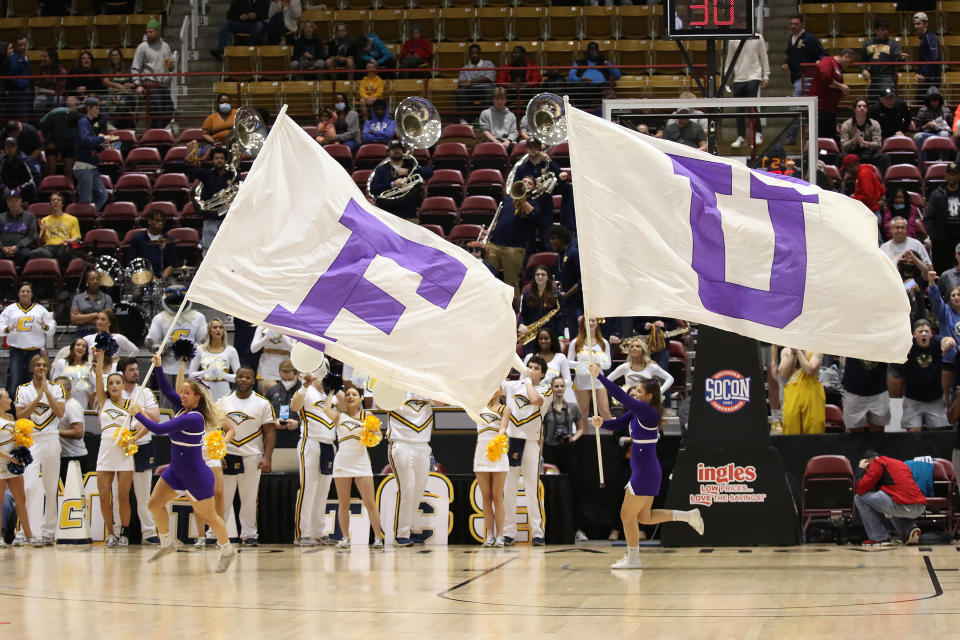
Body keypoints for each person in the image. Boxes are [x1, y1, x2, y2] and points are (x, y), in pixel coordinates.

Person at [130, 353, 237, 572]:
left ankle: (227, 550)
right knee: (154, 504)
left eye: (187, 393)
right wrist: (158, 368)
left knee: (209, 516)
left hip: (196, 474)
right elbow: (168, 391)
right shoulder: (183, 407)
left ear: (197, 397)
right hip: (176, 470)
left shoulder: (195, 418)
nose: (182, 396)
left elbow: (159, 429)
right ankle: (167, 543)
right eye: (182, 392)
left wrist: (138, 414)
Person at [590, 364, 703, 568]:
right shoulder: (636, 413)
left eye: (639, 391)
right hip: (646, 471)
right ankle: (688, 515)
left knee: (626, 515)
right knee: (645, 516)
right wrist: (601, 423)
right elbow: (617, 424)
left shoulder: (648, 413)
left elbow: (622, 396)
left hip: (645, 473)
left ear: (649, 397)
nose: (635, 392)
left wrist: (601, 377)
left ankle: (634, 559)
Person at [320, 386, 385, 550]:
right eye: (347, 394)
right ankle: (345, 537)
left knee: (370, 502)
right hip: (342, 461)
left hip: (361, 460)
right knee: (344, 502)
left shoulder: (367, 415)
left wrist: (372, 435)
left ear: (361, 399)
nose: (350, 396)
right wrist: (331, 391)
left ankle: (378, 538)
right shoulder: (338, 416)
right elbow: (326, 408)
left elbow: (378, 437)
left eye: (354, 394)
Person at [218, 366, 276, 546]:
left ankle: (249, 535)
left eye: (247, 377)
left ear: (254, 381)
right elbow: (214, 430)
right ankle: (215, 535)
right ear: (235, 378)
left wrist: (267, 457)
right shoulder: (222, 402)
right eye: (240, 376)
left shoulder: (263, 403)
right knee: (222, 497)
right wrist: (217, 455)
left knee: (249, 498)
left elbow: (270, 433)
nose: (243, 380)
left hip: (252, 456)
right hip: (227, 455)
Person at [93, 349, 145, 547]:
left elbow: (147, 425)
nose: (114, 385)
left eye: (117, 382)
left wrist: (133, 439)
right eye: (111, 383)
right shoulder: (104, 400)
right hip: (105, 452)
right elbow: (98, 376)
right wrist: (100, 358)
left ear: (123, 385)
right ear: (107, 387)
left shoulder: (132, 404)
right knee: (105, 496)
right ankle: (111, 533)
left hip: (124, 453)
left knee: (123, 497)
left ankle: (124, 532)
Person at [14, 354, 65, 545]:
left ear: (49, 368)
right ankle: (26, 531)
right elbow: (20, 415)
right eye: (38, 365)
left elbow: (60, 412)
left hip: (52, 438)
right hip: (31, 440)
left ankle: (48, 531)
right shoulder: (23, 390)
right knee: (29, 486)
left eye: (44, 365)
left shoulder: (57, 388)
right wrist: (37, 398)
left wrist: (47, 392)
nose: (41, 368)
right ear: (32, 368)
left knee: (51, 487)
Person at [499, 356, 549, 546]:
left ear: (542, 373)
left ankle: (538, 532)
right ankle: (508, 532)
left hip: (530, 443)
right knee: (508, 489)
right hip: (511, 442)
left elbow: (535, 400)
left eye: (536, 368)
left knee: (531, 489)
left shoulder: (546, 389)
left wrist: (527, 380)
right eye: (529, 366)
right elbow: (494, 385)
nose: (531, 370)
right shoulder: (513, 386)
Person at [116, 355, 161, 545]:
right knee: (119, 493)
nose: (136, 373)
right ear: (122, 373)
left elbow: (156, 418)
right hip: (119, 447)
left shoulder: (145, 392)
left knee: (144, 493)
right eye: (131, 370)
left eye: (136, 369)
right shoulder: (115, 390)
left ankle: (149, 532)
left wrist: (139, 408)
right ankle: (119, 531)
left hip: (142, 445)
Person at [288, 366, 336, 546]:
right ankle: (303, 533)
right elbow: (294, 406)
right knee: (308, 489)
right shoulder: (306, 391)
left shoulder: (330, 394)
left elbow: (345, 409)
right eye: (321, 373)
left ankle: (319, 532)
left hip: (329, 444)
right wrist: (304, 386)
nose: (324, 376)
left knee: (323, 490)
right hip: (311, 442)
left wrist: (335, 390)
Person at [386, 391, 439, 546]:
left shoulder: (425, 386)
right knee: (407, 488)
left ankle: (408, 530)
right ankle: (400, 534)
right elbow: (382, 403)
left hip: (423, 445)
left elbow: (442, 402)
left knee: (418, 490)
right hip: (401, 444)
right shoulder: (394, 385)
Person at [541, 375, 584, 536]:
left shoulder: (573, 407)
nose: (559, 389)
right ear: (551, 388)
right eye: (556, 386)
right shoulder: (546, 408)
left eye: (561, 386)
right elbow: (542, 431)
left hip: (569, 450)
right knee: (549, 488)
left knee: (574, 488)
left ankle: (576, 528)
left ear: (565, 388)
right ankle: (550, 527)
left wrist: (573, 438)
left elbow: (580, 428)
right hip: (551, 450)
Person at [855, 451, 926, 547]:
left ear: (868, 461)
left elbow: (860, 489)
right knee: (886, 502)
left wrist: (860, 469)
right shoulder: (899, 463)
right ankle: (908, 530)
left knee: (859, 498)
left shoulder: (878, 463)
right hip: (920, 507)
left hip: (903, 505)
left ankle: (879, 538)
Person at [486, 175, 540, 295]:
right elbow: (499, 218)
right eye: (524, 181)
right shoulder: (507, 199)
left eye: (530, 183)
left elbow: (535, 217)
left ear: (533, 189)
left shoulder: (533, 204)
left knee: (511, 282)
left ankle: (514, 311)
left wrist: (522, 199)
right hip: (494, 244)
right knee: (488, 278)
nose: (526, 184)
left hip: (513, 249)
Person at [145, 286, 208, 388]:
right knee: (167, 400)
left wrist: (191, 349)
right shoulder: (159, 318)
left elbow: (205, 342)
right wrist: (166, 347)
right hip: (166, 368)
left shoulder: (198, 317)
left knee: (190, 400)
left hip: (191, 368)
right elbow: (150, 342)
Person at [0, 390, 40, 547]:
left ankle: (29, 535)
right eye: (7, 397)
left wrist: (22, 450)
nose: (10, 400)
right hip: (3, 462)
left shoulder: (10, 418)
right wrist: (9, 457)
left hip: (14, 465)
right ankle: (1, 538)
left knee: (21, 500)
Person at [3, 283, 55, 396]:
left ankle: (33, 411)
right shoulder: (10, 309)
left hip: (34, 352)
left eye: (28, 291)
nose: (25, 293)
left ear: (32, 294)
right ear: (18, 294)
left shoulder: (40, 310)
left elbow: (51, 328)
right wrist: (8, 329)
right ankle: (13, 411)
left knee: (33, 383)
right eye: (23, 291)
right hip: (16, 351)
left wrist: (45, 326)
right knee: (14, 383)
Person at [783, 14, 827, 140]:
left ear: (802, 24)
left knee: (796, 107)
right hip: (797, 77)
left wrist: (818, 63)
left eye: (795, 24)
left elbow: (822, 54)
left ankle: (791, 136)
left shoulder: (809, 38)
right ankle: (797, 135)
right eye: (791, 24)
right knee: (799, 108)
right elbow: (791, 56)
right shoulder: (791, 38)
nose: (793, 26)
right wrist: (787, 64)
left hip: (807, 78)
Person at [184, 145, 233, 253]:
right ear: (212, 160)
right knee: (209, 251)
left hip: (228, 219)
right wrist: (190, 157)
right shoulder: (207, 174)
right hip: (210, 219)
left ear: (225, 160)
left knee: (228, 250)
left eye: (221, 158)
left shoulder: (233, 175)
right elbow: (190, 171)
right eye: (216, 158)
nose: (219, 160)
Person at [473, 389, 507, 547]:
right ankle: (490, 535)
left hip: (497, 450)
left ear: (500, 391)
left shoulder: (505, 409)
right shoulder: (477, 407)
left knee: (497, 496)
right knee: (486, 497)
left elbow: (503, 429)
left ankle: (501, 535)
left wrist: (498, 439)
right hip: (481, 452)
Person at [567, 316, 613, 433]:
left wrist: (599, 364)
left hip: (599, 381)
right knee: (583, 413)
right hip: (581, 382)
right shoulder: (576, 342)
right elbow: (569, 363)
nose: (591, 323)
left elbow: (608, 365)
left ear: (597, 323)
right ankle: (586, 441)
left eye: (593, 320)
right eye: (587, 320)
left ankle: (612, 438)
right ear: (582, 323)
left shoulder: (603, 342)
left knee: (605, 411)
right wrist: (584, 364)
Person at [369, 139, 432, 221]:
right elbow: (373, 189)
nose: (396, 151)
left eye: (399, 149)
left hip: (409, 215)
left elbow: (429, 172)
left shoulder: (411, 165)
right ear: (388, 152)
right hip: (387, 215)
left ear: (403, 151)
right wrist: (393, 184)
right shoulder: (381, 169)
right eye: (393, 149)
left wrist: (408, 171)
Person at [725, 34, 770, 148]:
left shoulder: (758, 37)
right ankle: (741, 136)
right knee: (740, 109)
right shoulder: (733, 40)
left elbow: (763, 56)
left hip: (754, 75)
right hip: (739, 77)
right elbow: (729, 59)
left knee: (751, 105)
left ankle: (758, 132)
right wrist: (726, 77)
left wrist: (766, 74)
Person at [131, 19, 175, 129]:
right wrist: (138, 84)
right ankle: (155, 136)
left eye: (151, 32)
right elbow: (135, 66)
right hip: (149, 82)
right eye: (147, 32)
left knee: (169, 111)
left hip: (163, 84)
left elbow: (170, 65)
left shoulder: (165, 46)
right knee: (157, 111)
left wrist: (171, 66)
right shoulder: (142, 47)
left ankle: (153, 132)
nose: (148, 34)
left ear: (158, 32)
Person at [74, 97, 113, 211]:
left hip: (91, 165)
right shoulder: (83, 121)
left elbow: (91, 144)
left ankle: (91, 215)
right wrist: (102, 139)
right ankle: (84, 221)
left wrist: (102, 146)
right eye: (96, 108)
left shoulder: (87, 123)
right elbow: (85, 140)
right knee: (86, 199)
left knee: (102, 194)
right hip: (84, 165)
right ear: (89, 108)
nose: (98, 111)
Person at [187, 318, 240, 401]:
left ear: (223, 331)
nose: (218, 329)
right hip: (205, 392)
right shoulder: (200, 349)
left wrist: (222, 375)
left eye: (221, 327)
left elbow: (238, 377)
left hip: (224, 393)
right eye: (215, 327)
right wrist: (205, 372)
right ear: (209, 331)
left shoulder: (231, 350)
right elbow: (191, 375)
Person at [608, 337, 674, 400]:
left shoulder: (651, 366)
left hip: (647, 401)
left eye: (638, 346)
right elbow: (607, 380)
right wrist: (618, 393)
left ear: (643, 350)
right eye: (632, 347)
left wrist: (659, 392)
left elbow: (670, 378)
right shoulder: (625, 367)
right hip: (630, 401)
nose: (634, 348)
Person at [810, 49, 854, 142]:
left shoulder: (839, 68)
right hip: (820, 107)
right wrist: (841, 86)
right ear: (846, 57)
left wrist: (842, 92)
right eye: (850, 61)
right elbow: (825, 77)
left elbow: (834, 88)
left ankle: (827, 156)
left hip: (830, 109)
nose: (850, 65)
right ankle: (819, 155)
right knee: (821, 137)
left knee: (830, 137)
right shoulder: (827, 61)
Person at [778, 347, 824, 435]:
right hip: (792, 394)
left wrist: (799, 353)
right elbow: (783, 373)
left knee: (814, 430)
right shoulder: (786, 351)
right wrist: (793, 354)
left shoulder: (816, 349)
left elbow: (810, 370)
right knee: (790, 429)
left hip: (812, 394)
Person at [925, 162, 960, 275]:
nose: (951, 176)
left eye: (954, 174)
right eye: (949, 173)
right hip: (942, 239)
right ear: (945, 175)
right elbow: (929, 218)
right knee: (941, 271)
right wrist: (935, 237)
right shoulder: (936, 195)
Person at [517, 265, 562, 353]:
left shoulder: (556, 296)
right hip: (531, 337)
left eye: (543, 274)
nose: (540, 277)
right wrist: (521, 325)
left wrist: (561, 338)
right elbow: (522, 314)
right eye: (537, 275)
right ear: (534, 277)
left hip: (550, 337)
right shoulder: (527, 295)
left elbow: (561, 318)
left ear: (548, 277)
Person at [840, 99, 890, 177]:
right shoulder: (846, 125)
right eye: (859, 106)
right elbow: (843, 146)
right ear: (854, 109)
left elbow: (878, 144)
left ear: (867, 109)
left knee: (884, 157)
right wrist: (853, 141)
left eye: (864, 106)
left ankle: (883, 182)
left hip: (869, 153)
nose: (862, 108)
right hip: (853, 153)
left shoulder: (875, 124)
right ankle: (841, 183)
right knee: (841, 157)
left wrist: (866, 144)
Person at [29, 191, 80, 266]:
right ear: (50, 204)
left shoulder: (73, 219)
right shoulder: (44, 220)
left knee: (66, 252)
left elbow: (77, 239)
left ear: (62, 204)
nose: (55, 202)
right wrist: (44, 231)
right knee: (33, 253)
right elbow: (40, 243)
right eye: (53, 200)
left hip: (64, 246)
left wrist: (68, 240)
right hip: (49, 248)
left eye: (58, 200)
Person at [549, 226, 582, 339]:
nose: (550, 241)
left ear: (562, 239)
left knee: (575, 335)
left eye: (553, 238)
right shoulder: (559, 255)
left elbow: (581, 280)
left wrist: (567, 295)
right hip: (564, 302)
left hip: (576, 302)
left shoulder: (574, 253)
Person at [567, 41, 620, 107]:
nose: (593, 52)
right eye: (591, 50)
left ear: (598, 51)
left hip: (601, 87)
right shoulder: (579, 63)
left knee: (609, 91)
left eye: (595, 50)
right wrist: (581, 79)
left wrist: (606, 62)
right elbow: (570, 78)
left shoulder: (604, 62)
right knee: (580, 88)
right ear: (588, 51)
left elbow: (617, 76)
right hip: (584, 87)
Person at [860, 19, 903, 100]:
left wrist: (901, 58)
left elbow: (899, 61)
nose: (886, 32)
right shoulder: (868, 43)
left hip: (887, 78)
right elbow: (863, 60)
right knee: (872, 103)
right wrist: (864, 69)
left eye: (887, 29)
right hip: (874, 79)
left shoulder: (893, 44)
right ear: (876, 30)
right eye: (883, 30)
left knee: (888, 100)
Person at [54, 376, 87, 480]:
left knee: (74, 494)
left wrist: (55, 432)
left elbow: (78, 432)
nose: (55, 392)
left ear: (68, 390)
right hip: (64, 456)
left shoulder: (72, 406)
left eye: (58, 389)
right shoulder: (59, 405)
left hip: (74, 458)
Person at [39, 105, 79, 184]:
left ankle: (69, 190)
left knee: (69, 170)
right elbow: (42, 123)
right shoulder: (54, 114)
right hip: (53, 142)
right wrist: (48, 141)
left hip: (69, 143)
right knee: (51, 169)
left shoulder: (79, 118)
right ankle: (51, 189)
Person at [456, 44, 496, 124]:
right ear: (469, 55)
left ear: (480, 54)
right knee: (461, 91)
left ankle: (487, 118)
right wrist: (481, 79)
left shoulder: (488, 64)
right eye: (472, 53)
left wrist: (471, 82)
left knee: (490, 89)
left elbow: (489, 79)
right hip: (470, 91)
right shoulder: (465, 68)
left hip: (484, 90)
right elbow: (461, 82)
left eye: (476, 53)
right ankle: (464, 119)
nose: (474, 55)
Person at [264, 359, 302, 440]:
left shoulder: (305, 391)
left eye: (290, 379)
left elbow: (314, 417)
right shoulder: (272, 391)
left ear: (297, 374)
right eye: (284, 379)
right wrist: (274, 421)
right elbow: (264, 413)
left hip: (298, 436)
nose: (287, 382)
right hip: (277, 437)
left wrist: (298, 424)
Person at [70, 269, 115, 338]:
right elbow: (74, 319)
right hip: (82, 332)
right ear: (87, 282)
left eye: (97, 279)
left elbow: (108, 319)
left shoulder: (107, 298)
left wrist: (82, 318)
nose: (95, 281)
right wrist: (96, 314)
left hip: (101, 332)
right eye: (92, 279)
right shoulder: (78, 298)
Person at [52, 338, 95, 409]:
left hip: (82, 404)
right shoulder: (61, 363)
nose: (80, 347)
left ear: (85, 351)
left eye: (84, 346)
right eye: (78, 345)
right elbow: (55, 384)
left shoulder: (88, 366)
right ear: (72, 348)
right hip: (64, 403)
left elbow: (93, 386)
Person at [250, 325, 294, 393]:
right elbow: (253, 349)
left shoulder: (292, 327)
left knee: (283, 399)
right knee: (266, 398)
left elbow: (294, 350)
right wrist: (266, 337)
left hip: (285, 370)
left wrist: (282, 337)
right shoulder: (262, 326)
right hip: (265, 370)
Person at [913, 86, 953, 161]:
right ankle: (923, 163)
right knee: (917, 136)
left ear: (939, 100)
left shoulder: (946, 110)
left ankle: (943, 162)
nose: (934, 102)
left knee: (944, 134)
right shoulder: (922, 111)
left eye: (936, 100)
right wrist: (927, 125)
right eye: (932, 100)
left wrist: (945, 126)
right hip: (927, 134)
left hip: (942, 133)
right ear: (928, 101)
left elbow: (952, 129)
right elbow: (918, 129)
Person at [101, 48, 136, 129]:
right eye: (112, 55)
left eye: (116, 55)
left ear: (120, 56)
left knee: (122, 102)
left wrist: (130, 84)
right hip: (111, 94)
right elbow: (105, 81)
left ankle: (110, 124)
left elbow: (134, 82)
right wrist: (118, 85)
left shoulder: (128, 69)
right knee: (103, 101)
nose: (114, 57)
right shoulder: (106, 69)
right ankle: (108, 124)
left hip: (125, 94)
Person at [0, 136, 38, 206]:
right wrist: (3, 187)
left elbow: (34, 178)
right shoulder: (2, 161)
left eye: (12, 146)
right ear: (4, 148)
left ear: (16, 147)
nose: (10, 149)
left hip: (24, 190)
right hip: (7, 190)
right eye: (7, 146)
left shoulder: (24, 160)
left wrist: (20, 188)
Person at [479, 87, 518, 152]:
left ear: (506, 100)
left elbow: (514, 132)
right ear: (493, 100)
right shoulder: (485, 113)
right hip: (490, 141)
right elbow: (485, 131)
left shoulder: (511, 115)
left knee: (515, 148)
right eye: (497, 99)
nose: (499, 101)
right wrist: (496, 141)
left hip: (506, 142)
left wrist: (508, 141)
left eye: (502, 99)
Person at [913, 12, 942, 100]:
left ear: (926, 24)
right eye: (915, 24)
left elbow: (934, 57)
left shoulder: (930, 37)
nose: (916, 26)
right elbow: (923, 60)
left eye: (919, 24)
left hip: (931, 79)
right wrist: (918, 73)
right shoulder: (924, 38)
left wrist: (925, 75)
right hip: (926, 78)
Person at [33, 49, 67, 116]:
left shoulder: (61, 71)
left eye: (45, 57)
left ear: (52, 59)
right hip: (45, 95)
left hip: (57, 96)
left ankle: (56, 121)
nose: (42, 59)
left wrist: (44, 91)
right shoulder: (44, 69)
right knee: (37, 101)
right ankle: (41, 121)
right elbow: (39, 84)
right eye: (42, 56)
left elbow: (60, 91)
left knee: (59, 100)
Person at [3, 36, 30, 119]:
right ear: (15, 45)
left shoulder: (26, 58)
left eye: (24, 45)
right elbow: (11, 77)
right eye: (20, 45)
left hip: (26, 93)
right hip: (16, 93)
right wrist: (24, 84)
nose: (23, 47)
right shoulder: (11, 60)